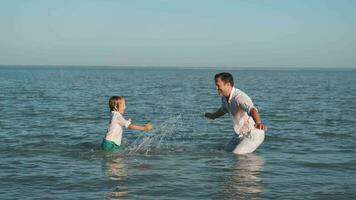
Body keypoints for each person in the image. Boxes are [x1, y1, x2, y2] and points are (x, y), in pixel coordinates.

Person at [205, 72, 267, 154]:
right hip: (239, 135)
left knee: (237, 155)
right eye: (215, 85)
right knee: (223, 152)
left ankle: (250, 165)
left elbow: (252, 109)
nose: (216, 88)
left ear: (228, 84)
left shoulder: (239, 97)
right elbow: (223, 109)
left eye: (218, 85)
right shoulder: (224, 97)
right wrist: (213, 115)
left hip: (253, 134)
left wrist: (258, 122)